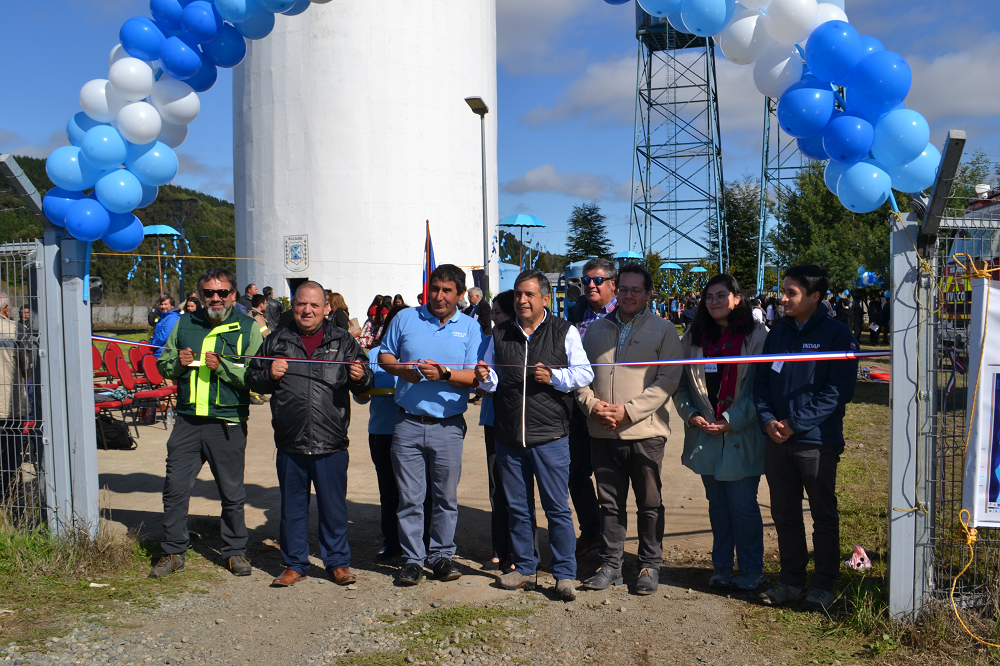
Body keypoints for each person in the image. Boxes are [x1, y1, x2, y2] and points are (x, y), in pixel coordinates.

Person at [476, 270, 594, 602]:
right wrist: (484, 377)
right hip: (509, 436)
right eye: (517, 294)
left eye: (529, 295)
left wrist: (554, 376)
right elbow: (491, 382)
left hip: (551, 436)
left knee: (557, 507)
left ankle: (565, 574)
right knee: (517, 506)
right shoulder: (499, 333)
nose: (522, 300)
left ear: (545, 298)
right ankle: (526, 568)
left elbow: (584, 372)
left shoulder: (564, 331)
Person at [247, 282, 373, 587]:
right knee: (292, 508)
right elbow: (253, 376)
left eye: (314, 305)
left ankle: (338, 563)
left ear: (326, 308)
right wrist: (269, 374)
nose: (307, 310)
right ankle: (295, 564)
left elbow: (365, 382)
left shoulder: (342, 341)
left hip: (331, 442)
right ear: (293, 305)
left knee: (333, 508)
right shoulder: (278, 339)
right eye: (302, 304)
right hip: (291, 441)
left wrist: (361, 376)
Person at [754, 265, 858, 612]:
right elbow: (762, 382)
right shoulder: (777, 333)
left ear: (814, 297)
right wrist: (768, 420)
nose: (782, 298)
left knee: (823, 515)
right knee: (784, 514)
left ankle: (824, 585)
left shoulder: (837, 335)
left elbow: (837, 391)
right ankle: (791, 581)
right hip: (777, 441)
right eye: (782, 291)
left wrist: (795, 423)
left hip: (816, 442)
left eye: (791, 293)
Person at [150, 268, 264, 578]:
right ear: (200, 295)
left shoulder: (247, 327)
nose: (215, 298)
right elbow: (163, 364)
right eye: (208, 292)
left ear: (233, 295)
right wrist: (178, 363)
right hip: (187, 420)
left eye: (221, 292)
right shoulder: (184, 322)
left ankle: (234, 551)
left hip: (227, 421)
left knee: (231, 492)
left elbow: (257, 376)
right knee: (174, 488)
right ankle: (173, 551)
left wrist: (223, 366)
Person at [575, 265, 682, 596]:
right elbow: (580, 376)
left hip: (645, 433)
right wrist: (591, 406)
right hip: (602, 432)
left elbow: (668, 379)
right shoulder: (594, 330)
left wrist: (628, 412)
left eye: (637, 290)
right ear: (615, 290)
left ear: (649, 293)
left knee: (649, 503)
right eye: (624, 289)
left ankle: (649, 564)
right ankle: (611, 565)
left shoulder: (664, 330)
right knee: (609, 504)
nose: (629, 295)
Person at [378, 265, 482, 585]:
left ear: (460, 295)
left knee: (445, 497)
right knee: (409, 498)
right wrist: (401, 370)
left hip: (449, 426)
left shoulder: (470, 328)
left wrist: (445, 374)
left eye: (447, 290)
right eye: (435, 288)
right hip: (407, 423)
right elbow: (384, 356)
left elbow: (475, 375)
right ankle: (412, 559)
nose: (439, 296)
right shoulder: (405, 318)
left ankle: (441, 556)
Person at [673, 274, 768, 592]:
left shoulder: (756, 336)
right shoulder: (694, 336)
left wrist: (732, 419)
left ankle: (752, 568)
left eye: (721, 295)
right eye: (708, 296)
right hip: (707, 434)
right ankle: (722, 566)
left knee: (742, 505)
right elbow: (681, 384)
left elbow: (761, 388)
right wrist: (692, 414)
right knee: (718, 505)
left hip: (742, 433)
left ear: (737, 298)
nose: (713, 301)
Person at [352, 305, 425, 561]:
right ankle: (392, 542)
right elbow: (361, 397)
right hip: (383, 433)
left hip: (418, 431)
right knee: (390, 491)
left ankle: (423, 543)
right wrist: (359, 387)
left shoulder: (423, 355)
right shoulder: (374, 354)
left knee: (418, 492)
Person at [563, 258, 616, 555]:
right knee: (577, 473)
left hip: (612, 406)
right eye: (586, 281)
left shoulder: (625, 314)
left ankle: (613, 543)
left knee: (611, 478)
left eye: (597, 280)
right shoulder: (576, 313)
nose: (590, 286)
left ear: (613, 284)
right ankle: (592, 531)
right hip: (578, 407)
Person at [0, 293, 29, 511]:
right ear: (6, 309)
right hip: (9, 405)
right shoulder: (15, 329)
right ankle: (6, 496)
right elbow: (28, 365)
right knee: (10, 451)